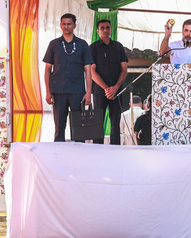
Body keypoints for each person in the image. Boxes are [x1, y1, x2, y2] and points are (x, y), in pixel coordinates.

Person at [43, 13, 93, 142]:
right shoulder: (54, 44)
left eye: (69, 24)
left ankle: (79, 158)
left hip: (78, 92)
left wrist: (88, 92)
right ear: (60, 25)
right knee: (59, 129)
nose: (66, 26)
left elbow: (88, 69)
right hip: (58, 91)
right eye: (64, 24)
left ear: (74, 25)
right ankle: (59, 158)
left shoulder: (82, 44)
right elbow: (48, 69)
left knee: (78, 129)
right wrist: (48, 92)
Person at [90, 19, 128, 145]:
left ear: (111, 29)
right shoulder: (93, 48)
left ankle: (115, 149)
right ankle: (97, 150)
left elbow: (124, 69)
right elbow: (92, 71)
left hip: (117, 90)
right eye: (102, 28)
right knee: (98, 121)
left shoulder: (118, 46)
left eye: (107, 28)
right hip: (99, 90)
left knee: (115, 122)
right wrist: (106, 88)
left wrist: (115, 87)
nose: (105, 30)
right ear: (98, 31)